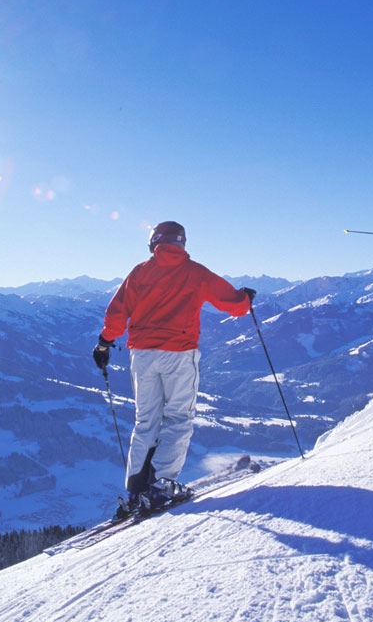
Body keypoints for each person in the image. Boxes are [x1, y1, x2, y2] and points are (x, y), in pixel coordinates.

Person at [93, 221, 255, 515]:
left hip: (142, 354)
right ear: (182, 243)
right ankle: (161, 487)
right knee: (178, 418)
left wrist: (104, 343)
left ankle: (134, 490)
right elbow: (234, 305)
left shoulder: (140, 272)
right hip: (179, 354)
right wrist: (245, 298)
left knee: (146, 421)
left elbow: (116, 313)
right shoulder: (195, 272)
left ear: (154, 242)